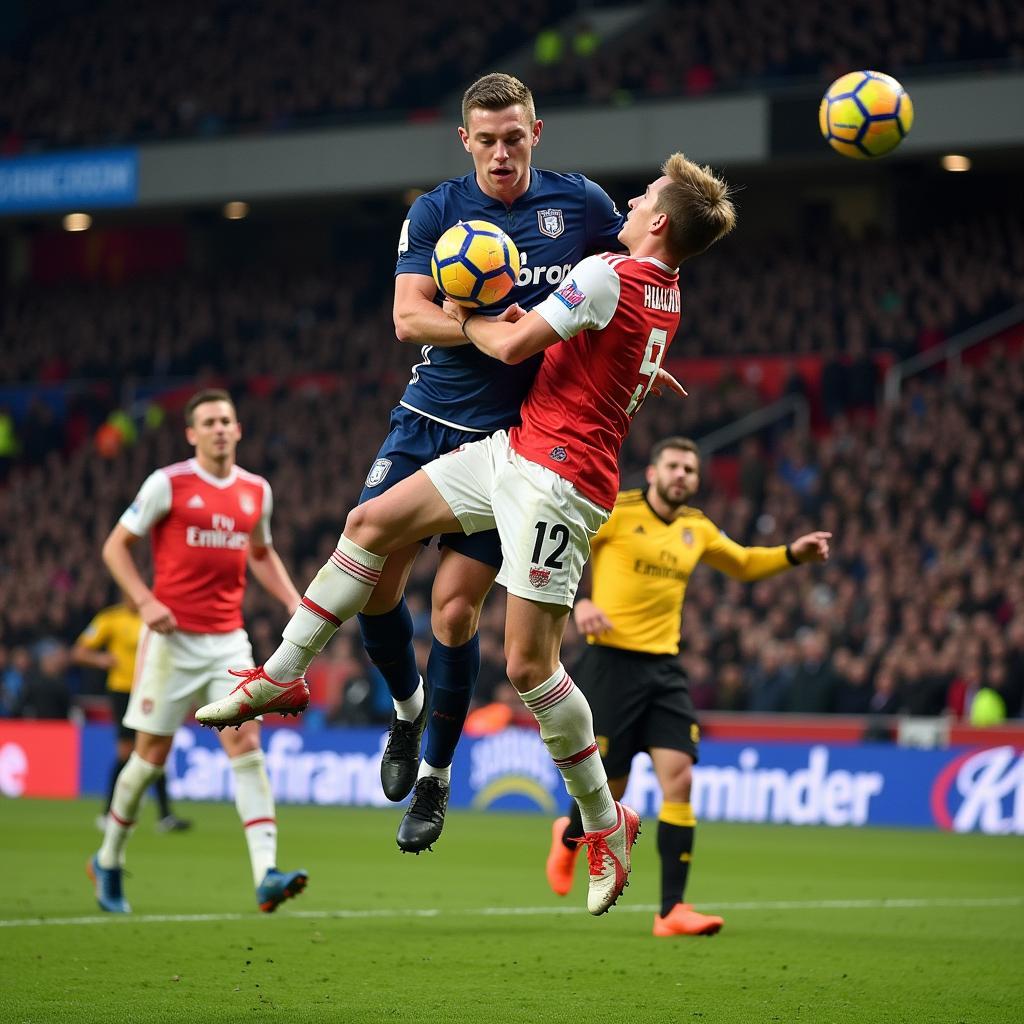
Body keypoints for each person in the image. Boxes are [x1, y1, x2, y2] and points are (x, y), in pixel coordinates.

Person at [197, 151, 739, 916]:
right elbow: (588, 343)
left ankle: (602, 822)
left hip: (558, 486)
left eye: (646, 193)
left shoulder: (610, 274)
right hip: (514, 450)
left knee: (528, 665)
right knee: (368, 523)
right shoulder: (665, 292)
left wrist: (467, 315)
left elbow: (515, 348)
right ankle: (284, 672)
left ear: (656, 221)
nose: (631, 195)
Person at [355, 72, 625, 853]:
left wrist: (641, 356)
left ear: (537, 134)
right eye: (488, 139)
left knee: (454, 611)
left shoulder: (582, 206)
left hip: (514, 444)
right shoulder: (437, 210)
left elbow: (627, 291)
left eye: (516, 137)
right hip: (428, 419)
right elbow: (408, 319)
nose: (502, 153)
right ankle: (407, 709)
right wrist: (482, 331)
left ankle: (435, 779)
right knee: (374, 581)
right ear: (464, 141)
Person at [545, 437, 831, 937]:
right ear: (653, 473)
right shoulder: (617, 510)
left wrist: (792, 554)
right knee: (610, 789)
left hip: (664, 670)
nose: (682, 475)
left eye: (691, 469)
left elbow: (741, 563)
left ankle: (671, 910)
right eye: (674, 466)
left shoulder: (696, 528)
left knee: (680, 780)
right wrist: (578, 604)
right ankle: (569, 836)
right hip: (610, 664)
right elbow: (565, 548)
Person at [88, 389, 307, 915]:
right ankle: (109, 859)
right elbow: (115, 546)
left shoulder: (256, 491)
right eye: (207, 421)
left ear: (238, 430)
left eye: (225, 420)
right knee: (149, 759)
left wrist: (297, 602)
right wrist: (143, 601)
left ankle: (265, 875)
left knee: (246, 745)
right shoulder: (168, 483)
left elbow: (260, 552)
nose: (218, 429)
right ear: (191, 433)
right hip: (169, 641)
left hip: (227, 642)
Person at [72, 595, 192, 832]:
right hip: (123, 692)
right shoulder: (110, 619)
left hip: (152, 690)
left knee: (156, 749)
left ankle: (165, 816)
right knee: (126, 752)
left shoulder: (156, 617)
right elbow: (79, 652)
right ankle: (108, 813)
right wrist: (101, 659)